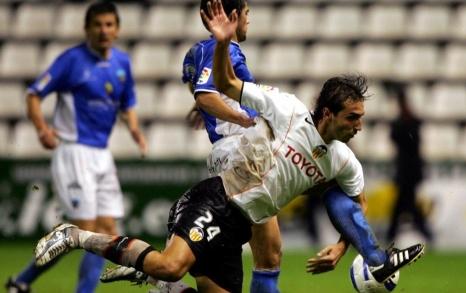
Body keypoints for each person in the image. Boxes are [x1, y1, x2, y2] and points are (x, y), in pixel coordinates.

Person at [33, 1, 424, 292]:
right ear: (327, 112)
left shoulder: (343, 161)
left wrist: (343, 249)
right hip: (219, 195)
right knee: (178, 265)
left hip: (238, 219)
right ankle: (75, 237)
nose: (361, 126)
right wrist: (222, 52)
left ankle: (156, 277)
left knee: (254, 259)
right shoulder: (285, 108)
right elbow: (221, 87)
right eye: (353, 117)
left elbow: (355, 203)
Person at [6, 2, 147, 293]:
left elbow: (128, 102)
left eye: (109, 24)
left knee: (108, 231)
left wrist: (134, 128)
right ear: (87, 29)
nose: (104, 30)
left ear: (117, 29)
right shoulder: (71, 60)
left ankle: (21, 282)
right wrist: (42, 129)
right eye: (98, 25)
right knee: (89, 232)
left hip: (102, 155)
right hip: (73, 152)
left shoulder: (122, 63)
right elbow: (34, 95)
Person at [182, 1, 282, 292]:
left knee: (230, 250)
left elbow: (198, 87)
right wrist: (242, 117)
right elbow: (204, 96)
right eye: (247, 14)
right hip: (240, 154)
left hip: (227, 154)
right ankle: (164, 278)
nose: (249, 20)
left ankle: (171, 278)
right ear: (234, 16)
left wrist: (209, 107)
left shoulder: (199, 50)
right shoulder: (225, 49)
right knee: (268, 255)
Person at [386, 85, 433, 242]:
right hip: (408, 171)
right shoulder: (409, 122)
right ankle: (425, 233)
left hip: (408, 172)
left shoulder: (406, 122)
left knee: (403, 205)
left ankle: (391, 234)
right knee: (409, 205)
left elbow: (402, 140)